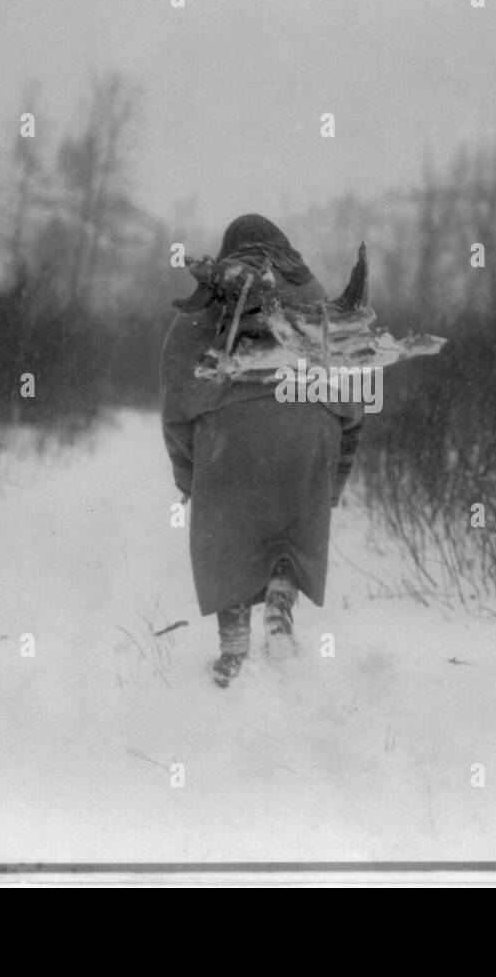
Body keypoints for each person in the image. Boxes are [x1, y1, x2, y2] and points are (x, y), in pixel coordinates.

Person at [159, 215, 365, 686]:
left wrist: (191, 475)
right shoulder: (315, 297)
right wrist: (330, 483)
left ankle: (233, 651)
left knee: (226, 540)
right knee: (293, 536)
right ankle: (280, 598)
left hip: (229, 435)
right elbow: (354, 401)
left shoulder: (208, 296)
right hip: (308, 430)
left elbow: (176, 396)